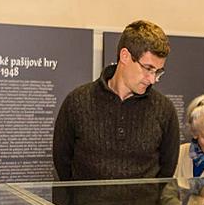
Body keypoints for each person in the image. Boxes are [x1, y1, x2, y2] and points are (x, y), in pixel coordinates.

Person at [52, 20, 179, 180]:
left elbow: (166, 171)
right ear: (124, 56)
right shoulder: (77, 102)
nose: (152, 79)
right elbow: (62, 163)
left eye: (158, 71)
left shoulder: (164, 110)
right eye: (148, 69)